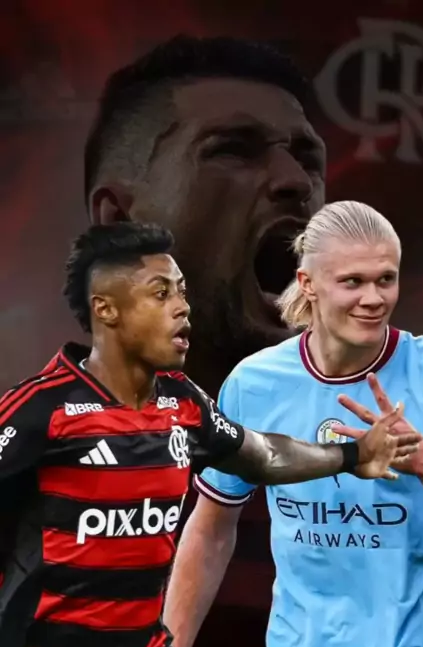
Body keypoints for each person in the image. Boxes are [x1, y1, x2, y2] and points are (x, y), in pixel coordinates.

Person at [0, 220, 419, 647]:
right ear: (107, 309)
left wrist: (352, 455)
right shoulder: (41, 410)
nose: (182, 307)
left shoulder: (182, 402)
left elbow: (261, 455)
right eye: (161, 293)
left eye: (182, 291)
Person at [165, 200, 423, 647]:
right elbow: (210, 531)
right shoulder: (255, 384)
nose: (374, 298)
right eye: (353, 281)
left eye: (386, 279)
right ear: (308, 283)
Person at [84, 34, 326, 396]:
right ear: (120, 224)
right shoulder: (37, 428)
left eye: (308, 160)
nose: (297, 180)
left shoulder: (388, 421)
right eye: (233, 151)